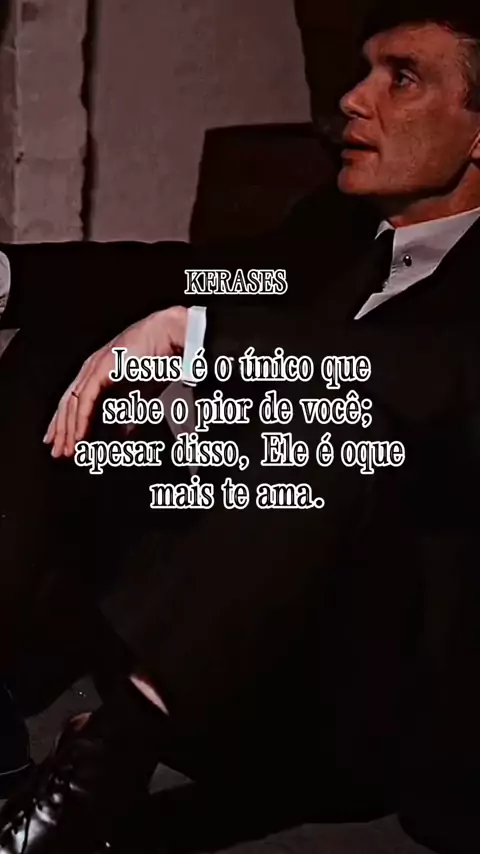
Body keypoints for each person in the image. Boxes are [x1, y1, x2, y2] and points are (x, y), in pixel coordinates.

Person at [3, 3, 480, 854]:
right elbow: (201, 277)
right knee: (60, 352)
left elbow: (437, 375)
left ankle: (81, 792)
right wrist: (10, 279)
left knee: (335, 424)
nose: (353, 98)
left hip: (374, 701)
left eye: (402, 78)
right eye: (364, 70)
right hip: (230, 651)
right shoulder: (340, 230)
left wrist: (200, 336)